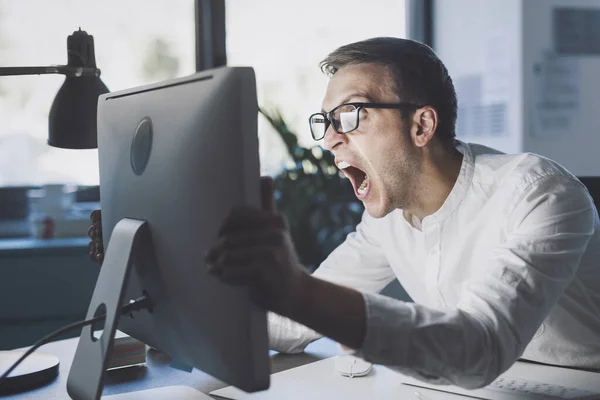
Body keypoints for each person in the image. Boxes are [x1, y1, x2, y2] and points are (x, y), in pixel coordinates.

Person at [88, 37, 600, 389]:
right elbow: (293, 324)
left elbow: (481, 346)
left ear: (421, 126)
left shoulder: (540, 194)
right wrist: (151, 271)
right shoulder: (385, 220)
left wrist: (297, 288)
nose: (331, 138)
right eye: (325, 121)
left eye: (351, 115)